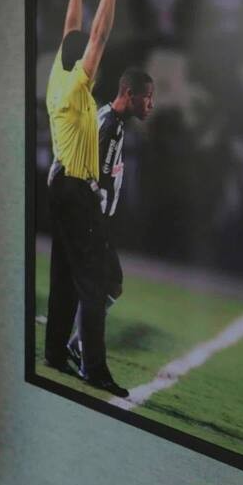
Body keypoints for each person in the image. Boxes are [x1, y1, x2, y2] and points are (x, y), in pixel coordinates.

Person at [43, 0, 129, 397]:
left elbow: (73, 28)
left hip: (59, 185)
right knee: (93, 284)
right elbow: (97, 35)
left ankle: (55, 353)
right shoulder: (76, 83)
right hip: (76, 190)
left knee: (62, 278)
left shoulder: (57, 74)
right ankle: (94, 369)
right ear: (82, 64)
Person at [65, 68, 154, 368]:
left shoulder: (107, 117)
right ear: (130, 94)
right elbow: (99, 179)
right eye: (148, 98)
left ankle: (75, 343)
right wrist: (96, 220)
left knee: (109, 283)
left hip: (89, 217)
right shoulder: (112, 127)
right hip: (92, 219)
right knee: (107, 284)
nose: (150, 105)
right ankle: (80, 349)